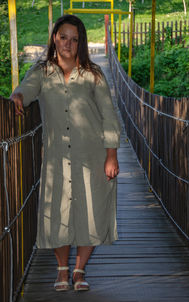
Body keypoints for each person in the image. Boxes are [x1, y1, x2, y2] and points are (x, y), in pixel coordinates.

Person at [11, 14, 121, 292]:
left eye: (74, 39)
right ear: (54, 39)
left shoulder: (94, 74)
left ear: (80, 42)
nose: (68, 44)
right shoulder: (41, 71)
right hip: (57, 156)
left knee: (91, 210)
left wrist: (111, 155)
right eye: (63, 37)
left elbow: (109, 116)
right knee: (57, 211)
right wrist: (18, 97)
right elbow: (27, 89)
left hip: (93, 155)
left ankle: (79, 270)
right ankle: (62, 270)